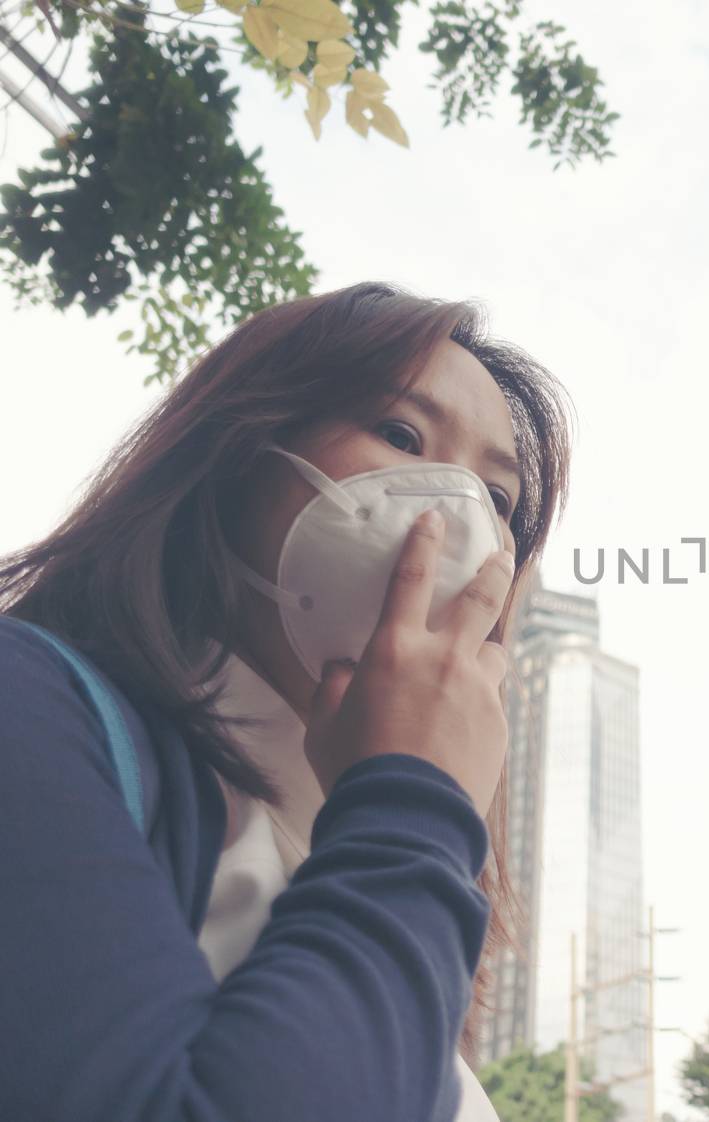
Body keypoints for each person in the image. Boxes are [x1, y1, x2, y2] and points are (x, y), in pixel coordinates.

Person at [0, 280, 573, 1121]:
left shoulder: (372, 865)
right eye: (402, 434)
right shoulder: (34, 703)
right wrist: (417, 794)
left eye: (497, 499)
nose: (456, 513)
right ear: (238, 453)